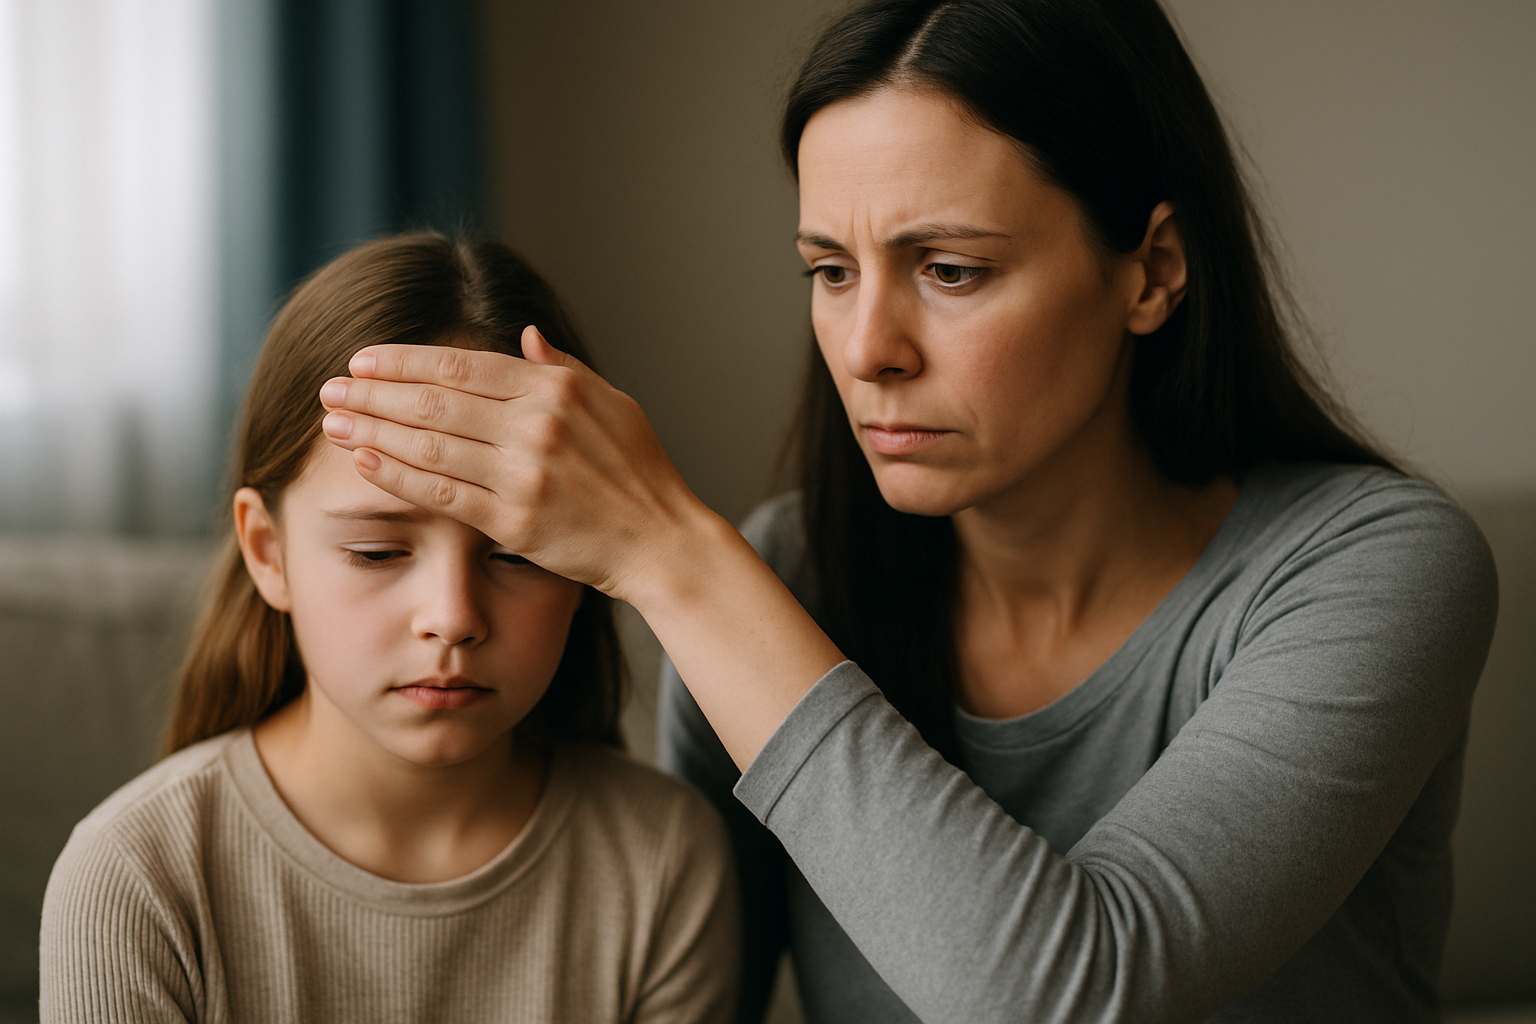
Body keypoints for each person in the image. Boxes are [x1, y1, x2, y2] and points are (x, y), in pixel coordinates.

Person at [311, 1, 1500, 1021]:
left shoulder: (1376, 567)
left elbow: (1072, 993)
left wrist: (671, 555)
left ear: (1152, 270)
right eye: (831, 271)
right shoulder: (789, 572)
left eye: (951, 270)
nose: (867, 349)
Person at [39, 234, 740, 1024]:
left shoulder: (664, 859)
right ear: (268, 553)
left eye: (515, 555)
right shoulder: (136, 875)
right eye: (376, 551)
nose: (452, 618)